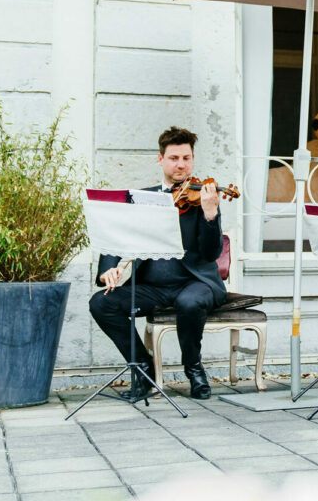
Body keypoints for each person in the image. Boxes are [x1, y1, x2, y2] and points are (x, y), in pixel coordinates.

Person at [89, 126, 226, 401]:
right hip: (152, 287)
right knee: (101, 303)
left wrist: (210, 215)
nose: (181, 165)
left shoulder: (203, 198)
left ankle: (194, 370)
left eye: (186, 158)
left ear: (193, 159)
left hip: (195, 283)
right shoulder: (143, 199)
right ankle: (144, 370)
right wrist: (107, 269)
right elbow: (118, 236)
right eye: (174, 158)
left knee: (189, 302)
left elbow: (211, 253)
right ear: (160, 159)